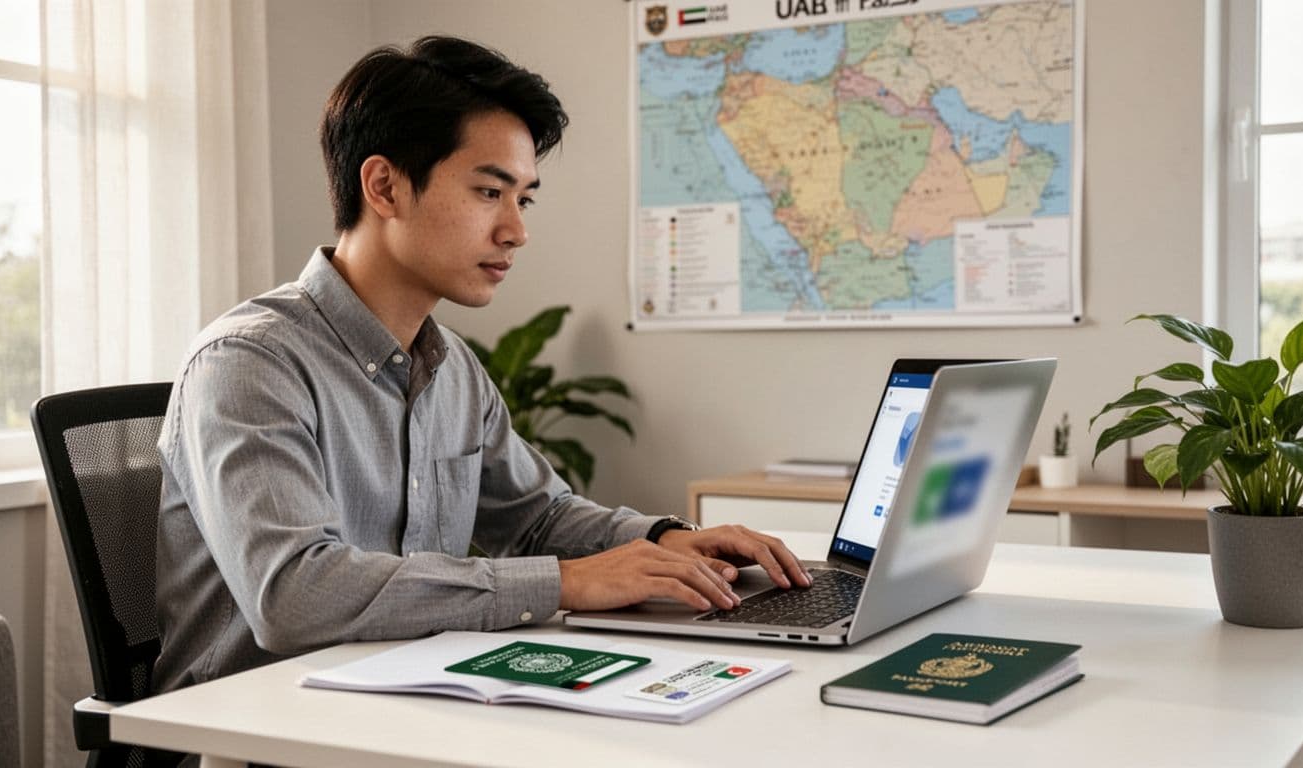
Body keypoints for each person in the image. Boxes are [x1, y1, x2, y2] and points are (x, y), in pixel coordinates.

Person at [152, 35, 810, 694]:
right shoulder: (249, 363)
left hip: (404, 695)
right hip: (254, 727)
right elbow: (293, 594)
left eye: (523, 198)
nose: (516, 231)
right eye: (489, 192)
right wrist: (568, 583)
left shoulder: (450, 366)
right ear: (384, 186)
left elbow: (538, 519)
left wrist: (665, 539)